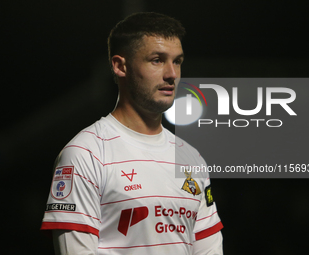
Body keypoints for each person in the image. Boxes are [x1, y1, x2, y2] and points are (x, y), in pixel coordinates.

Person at [41, 12, 223, 255]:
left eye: (177, 61)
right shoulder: (85, 154)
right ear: (120, 66)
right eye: (157, 60)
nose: (172, 74)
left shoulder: (192, 158)